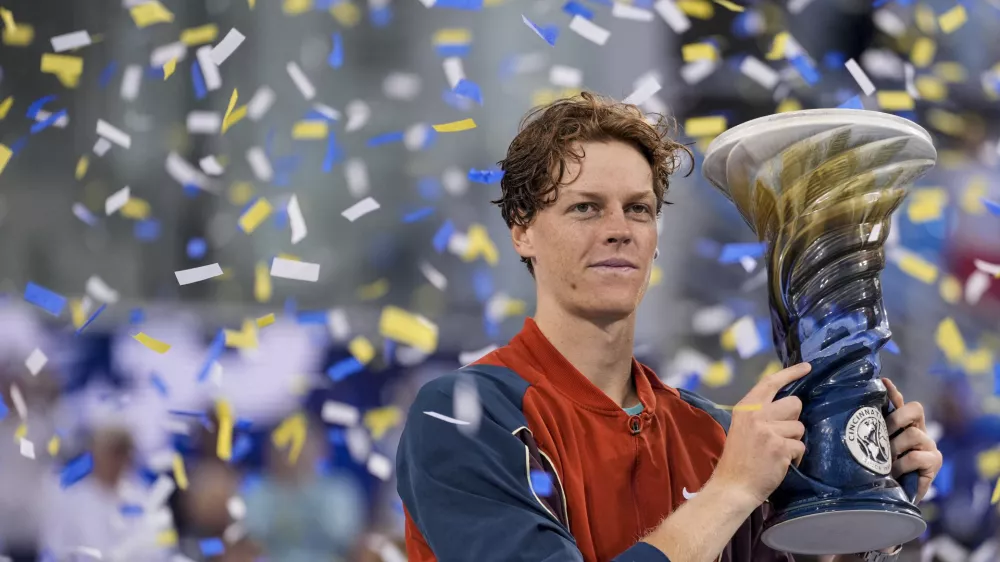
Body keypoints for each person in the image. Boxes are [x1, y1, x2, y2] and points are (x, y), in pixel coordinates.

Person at [395, 93, 943, 562]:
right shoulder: (462, 415)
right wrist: (729, 491)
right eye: (586, 208)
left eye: (638, 209)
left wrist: (857, 515)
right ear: (523, 232)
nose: (619, 231)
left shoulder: (715, 434)